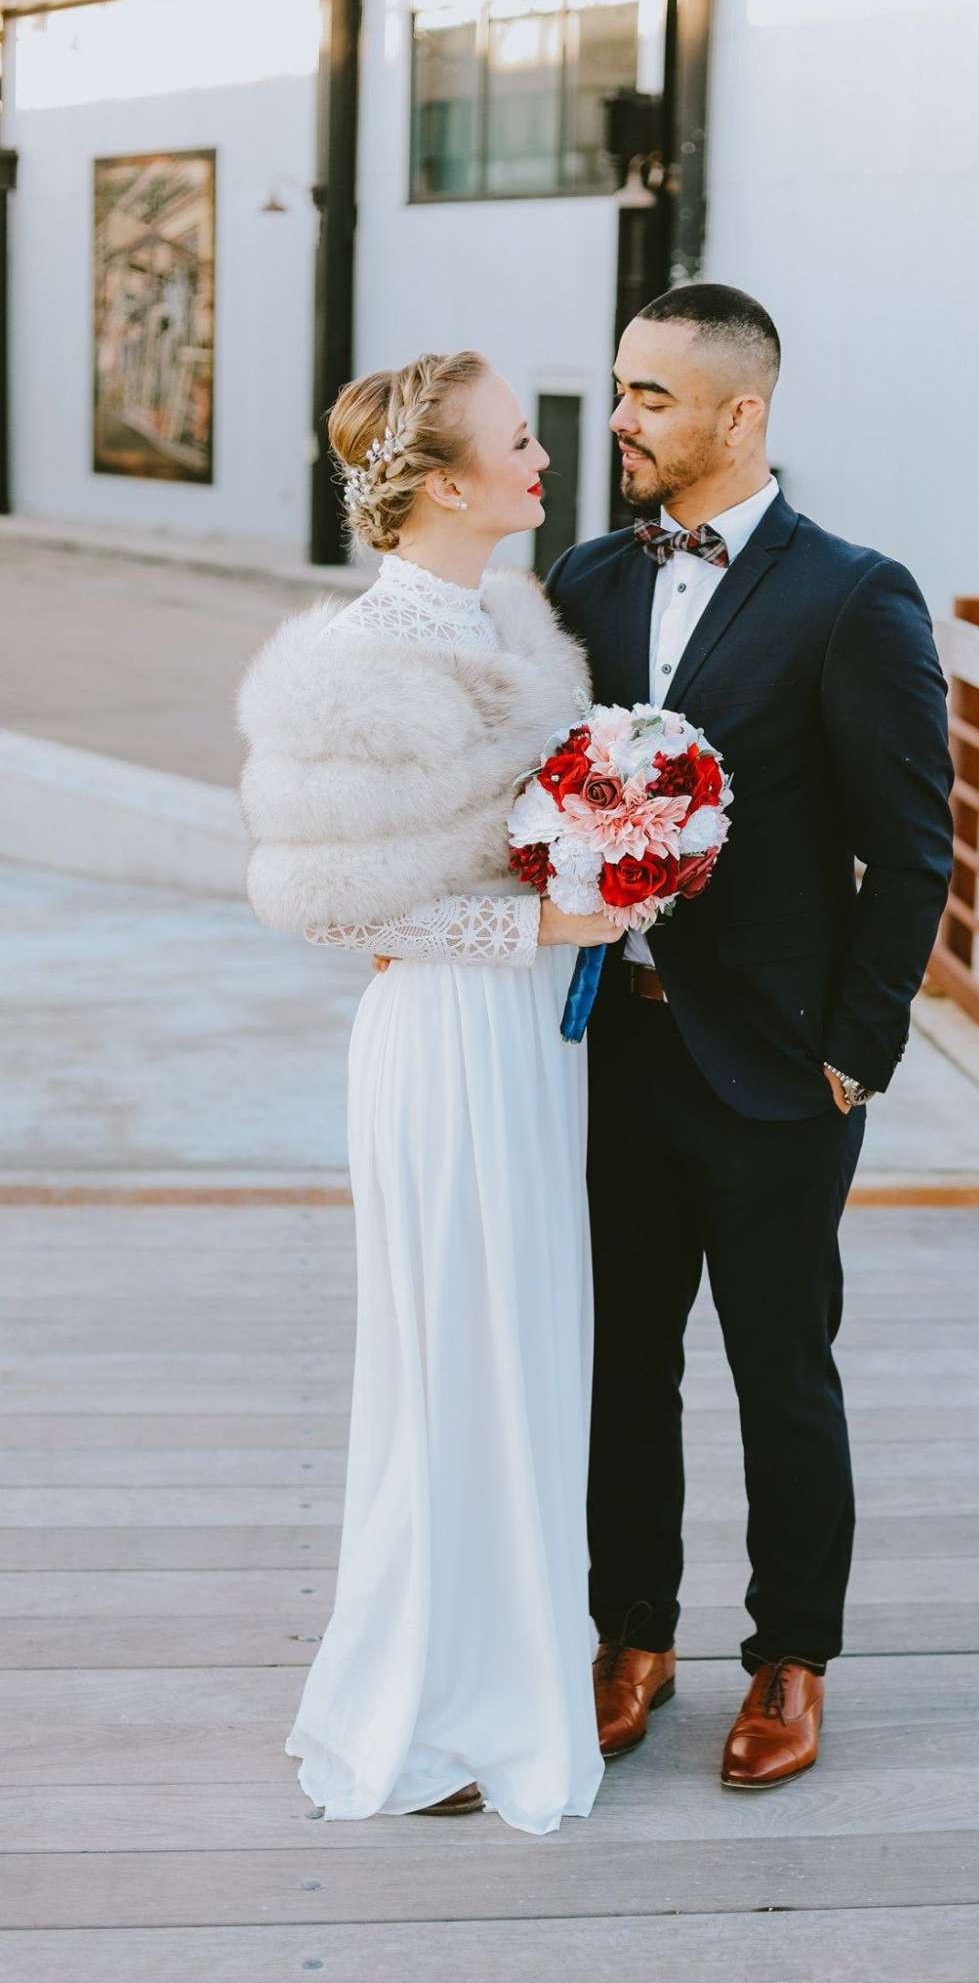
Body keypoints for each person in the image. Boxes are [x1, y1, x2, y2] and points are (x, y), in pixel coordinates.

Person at [545, 284, 955, 1789]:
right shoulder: (583, 578)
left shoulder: (854, 593)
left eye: (652, 396)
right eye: (620, 390)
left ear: (741, 412)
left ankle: (791, 1658)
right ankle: (627, 1636)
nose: (625, 422)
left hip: (779, 1068)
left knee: (782, 1370)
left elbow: (911, 849)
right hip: (610, 1052)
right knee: (619, 1365)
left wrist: (857, 1050)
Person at [237, 350, 620, 1836]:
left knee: (523, 1349)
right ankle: (434, 1694)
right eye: (522, 444)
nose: (544, 462)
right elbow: (323, 905)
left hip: (532, 1045)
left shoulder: (520, 625)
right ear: (449, 483)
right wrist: (531, 926)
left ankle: (513, 1664)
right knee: (453, 1349)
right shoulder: (352, 666)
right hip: (443, 1039)